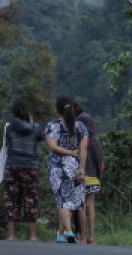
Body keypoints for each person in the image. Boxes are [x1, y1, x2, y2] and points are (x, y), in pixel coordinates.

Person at [44, 95, 87, 244]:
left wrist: (68, 152)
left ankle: (69, 232)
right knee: (71, 200)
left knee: (63, 200)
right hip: (75, 166)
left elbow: (53, 147)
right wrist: (81, 167)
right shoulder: (81, 127)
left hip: (57, 166)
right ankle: (60, 234)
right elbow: (83, 148)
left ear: (57, 110)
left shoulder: (52, 125)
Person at [2, 99, 44, 241]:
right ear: (27, 113)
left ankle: (11, 235)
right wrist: (31, 123)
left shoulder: (9, 127)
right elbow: (40, 137)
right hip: (30, 166)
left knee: (11, 198)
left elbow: (8, 141)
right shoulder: (36, 127)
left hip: (12, 165)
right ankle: (32, 236)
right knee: (31, 198)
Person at [73, 101, 104, 245]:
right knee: (90, 204)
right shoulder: (96, 141)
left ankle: (82, 237)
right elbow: (100, 162)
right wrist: (98, 176)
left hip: (82, 175)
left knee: (81, 204)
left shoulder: (80, 141)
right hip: (94, 176)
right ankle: (91, 237)